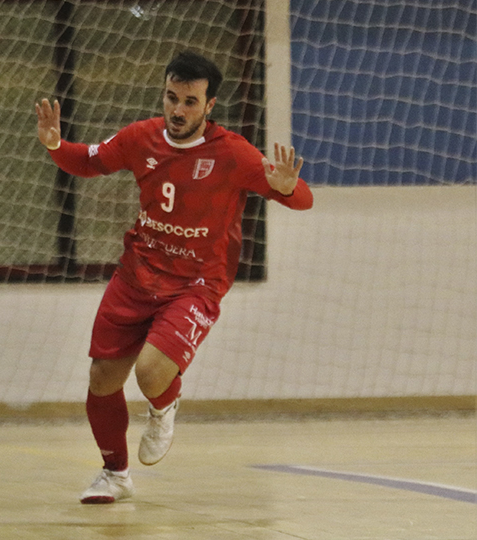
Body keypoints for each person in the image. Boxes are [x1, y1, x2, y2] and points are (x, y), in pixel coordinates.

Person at [35, 51, 313, 504]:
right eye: (171, 97)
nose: (178, 110)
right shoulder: (140, 137)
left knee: (150, 374)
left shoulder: (233, 153)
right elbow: (88, 161)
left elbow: (303, 200)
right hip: (137, 274)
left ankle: (164, 405)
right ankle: (115, 475)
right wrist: (54, 145)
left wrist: (285, 187)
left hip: (196, 284)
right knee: (102, 379)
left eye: (189, 101)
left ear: (209, 106)